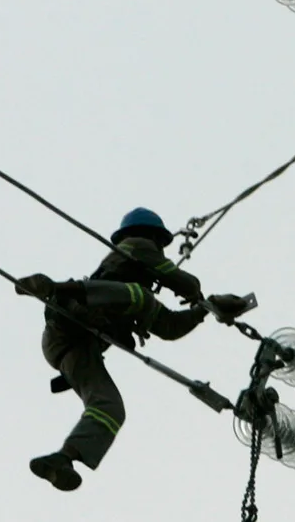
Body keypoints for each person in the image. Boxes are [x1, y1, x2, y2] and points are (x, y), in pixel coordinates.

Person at [14, 208, 245, 492]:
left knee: (110, 408)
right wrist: (195, 291)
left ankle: (63, 459)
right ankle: (52, 287)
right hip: (67, 314)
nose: (159, 251)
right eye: (160, 246)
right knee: (138, 296)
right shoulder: (135, 245)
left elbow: (171, 327)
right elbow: (182, 280)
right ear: (153, 238)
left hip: (70, 348)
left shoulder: (138, 296)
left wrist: (205, 308)